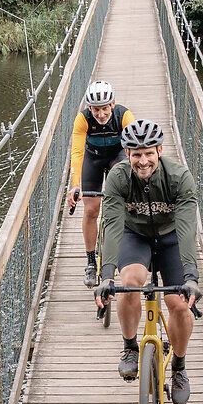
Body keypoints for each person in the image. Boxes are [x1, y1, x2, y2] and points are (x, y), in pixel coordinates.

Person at [97, 117, 200, 404]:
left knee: (179, 303)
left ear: (160, 151)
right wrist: (106, 276)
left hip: (171, 238)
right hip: (135, 235)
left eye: (148, 154)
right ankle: (130, 347)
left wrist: (191, 276)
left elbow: (187, 228)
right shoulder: (118, 178)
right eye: (136, 155)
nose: (143, 161)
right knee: (130, 282)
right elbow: (112, 226)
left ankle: (179, 366)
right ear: (127, 154)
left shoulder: (179, 178)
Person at [66, 81, 133, 287]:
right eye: (96, 109)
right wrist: (75, 185)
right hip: (93, 158)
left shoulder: (124, 115)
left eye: (105, 108)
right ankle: (90, 262)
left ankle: (123, 250)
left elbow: (134, 148)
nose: (101, 114)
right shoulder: (83, 119)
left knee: (122, 203)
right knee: (91, 210)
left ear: (112, 104)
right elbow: (77, 152)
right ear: (89, 107)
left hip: (117, 156)